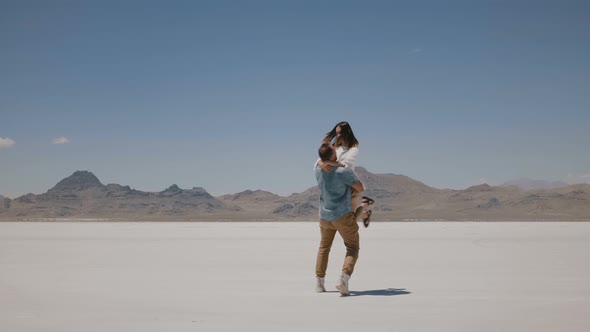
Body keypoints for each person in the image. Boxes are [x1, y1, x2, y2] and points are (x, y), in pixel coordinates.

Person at [315, 143, 365, 296]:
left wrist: (327, 162)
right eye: (334, 151)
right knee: (352, 247)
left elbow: (318, 163)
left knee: (324, 248)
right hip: (342, 215)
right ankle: (343, 280)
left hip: (324, 216)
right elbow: (360, 188)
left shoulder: (318, 169)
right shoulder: (342, 171)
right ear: (331, 156)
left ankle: (319, 283)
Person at [315, 121, 374, 227]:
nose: (337, 136)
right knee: (341, 218)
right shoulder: (334, 147)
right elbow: (318, 162)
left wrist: (327, 162)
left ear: (348, 132)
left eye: (340, 133)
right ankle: (365, 214)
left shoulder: (353, 149)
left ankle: (364, 204)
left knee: (349, 221)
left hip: (350, 187)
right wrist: (320, 162)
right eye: (336, 133)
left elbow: (346, 166)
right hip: (337, 187)